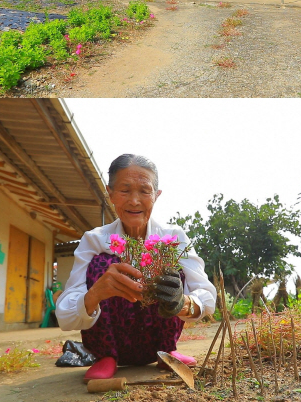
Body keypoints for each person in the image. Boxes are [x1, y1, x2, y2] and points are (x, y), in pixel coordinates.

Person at [56, 154, 216, 381]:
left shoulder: (173, 237)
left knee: (170, 270)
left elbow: (207, 296)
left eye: (144, 191)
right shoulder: (93, 240)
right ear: (109, 193)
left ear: (156, 195)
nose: (134, 201)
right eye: (124, 190)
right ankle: (106, 357)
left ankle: (166, 351)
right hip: (109, 343)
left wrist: (182, 303)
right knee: (103, 265)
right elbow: (64, 316)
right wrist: (95, 294)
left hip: (157, 342)